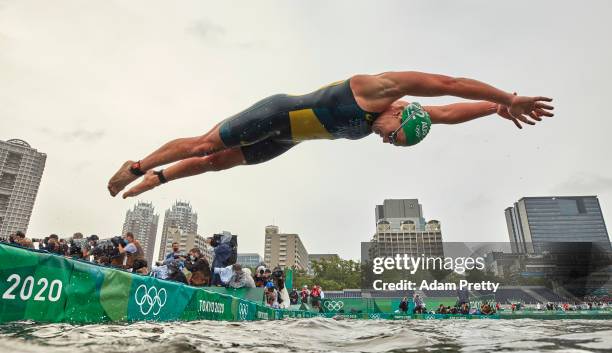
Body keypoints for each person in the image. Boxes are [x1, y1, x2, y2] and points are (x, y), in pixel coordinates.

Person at [107, 71, 554, 198]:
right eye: (391, 137)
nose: (384, 140)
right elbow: (449, 87)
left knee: (217, 164)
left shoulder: (414, 118)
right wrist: (506, 95)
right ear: (399, 116)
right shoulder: (378, 90)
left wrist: (496, 108)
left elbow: (452, 111)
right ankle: (138, 166)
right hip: (280, 111)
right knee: (208, 145)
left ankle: (159, 180)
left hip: (288, 138)